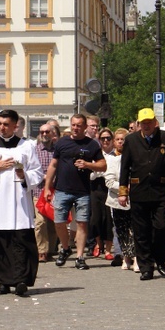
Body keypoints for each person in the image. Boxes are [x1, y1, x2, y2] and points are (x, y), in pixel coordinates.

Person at [0, 109, 43, 296]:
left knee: (20, 242)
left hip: (18, 202)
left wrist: (24, 175)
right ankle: (3, 281)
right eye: (0, 124)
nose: (2, 128)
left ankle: (20, 280)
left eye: (6, 124)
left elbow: (37, 172)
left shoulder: (26, 146)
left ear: (15, 126)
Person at [118, 108, 165, 280]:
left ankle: (160, 258)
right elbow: (125, 167)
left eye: (149, 122)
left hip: (161, 191)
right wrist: (123, 192)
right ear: (138, 124)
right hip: (139, 190)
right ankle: (146, 267)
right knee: (141, 231)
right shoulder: (131, 140)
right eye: (143, 123)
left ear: (155, 122)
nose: (147, 125)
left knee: (162, 227)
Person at [43, 114, 106, 270]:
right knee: (59, 222)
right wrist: (46, 188)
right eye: (73, 125)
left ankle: (79, 257)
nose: (76, 128)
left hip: (82, 191)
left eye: (79, 125)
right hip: (62, 189)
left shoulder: (92, 145)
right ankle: (65, 248)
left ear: (85, 127)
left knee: (82, 224)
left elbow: (103, 165)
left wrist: (87, 164)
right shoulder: (62, 143)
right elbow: (53, 165)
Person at [104, 128, 137, 271]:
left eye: (123, 140)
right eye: (117, 140)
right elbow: (109, 181)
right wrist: (125, 187)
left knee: (135, 230)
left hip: (135, 199)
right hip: (117, 200)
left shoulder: (135, 157)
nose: (120, 142)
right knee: (121, 230)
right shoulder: (112, 159)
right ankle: (126, 257)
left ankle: (136, 258)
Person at [32, 123, 58, 262]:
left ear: (52, 133)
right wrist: (44, 177)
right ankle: (41, 251)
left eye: (47, 132)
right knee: (40, 222)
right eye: (42, 132)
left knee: (53, 222)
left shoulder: (57, 150)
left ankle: (51, 250)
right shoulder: (35, 150)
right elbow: (30, 169)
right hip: (39, 191)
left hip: (55, 191)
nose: (44, 134)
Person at [90, 128, 115, 258]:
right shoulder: (96, 154)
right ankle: (98, 243)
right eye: (103, 138)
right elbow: (92, 173)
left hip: (109, 188)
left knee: (108, 219)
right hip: (95, 187)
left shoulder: (116, 154)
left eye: (108, 138)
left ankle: (108, 249)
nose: (105, 141)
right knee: (96, 218)